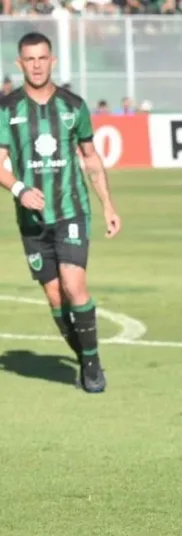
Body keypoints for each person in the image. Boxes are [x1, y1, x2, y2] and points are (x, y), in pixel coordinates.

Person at [0, 32, 122, 393]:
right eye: (30, 59)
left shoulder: (74, 105)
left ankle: (92, 365)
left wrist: (108, 204)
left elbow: (90, 158)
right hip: (32, 220)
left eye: (42, 58)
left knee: (73, 284)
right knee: (55, 296)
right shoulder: (7, 109)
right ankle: (84, 354)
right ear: (20, 63)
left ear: (52, 61)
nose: (37, 65)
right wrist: (20, 190)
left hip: (72, 211)